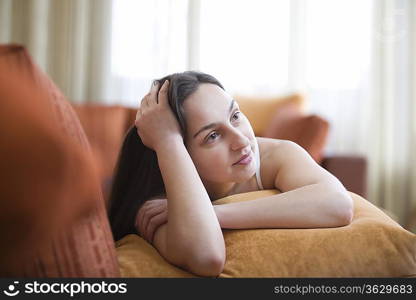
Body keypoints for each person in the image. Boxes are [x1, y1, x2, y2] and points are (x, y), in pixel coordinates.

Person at [108, 71, 353, 277]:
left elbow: (338, 204)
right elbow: (206, 257)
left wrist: (216, 213)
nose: (242, 140)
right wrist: (168, 140)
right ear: (180, 155)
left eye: (235, 115)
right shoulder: (156, 200)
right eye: (212, 136)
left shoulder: (273, 155)